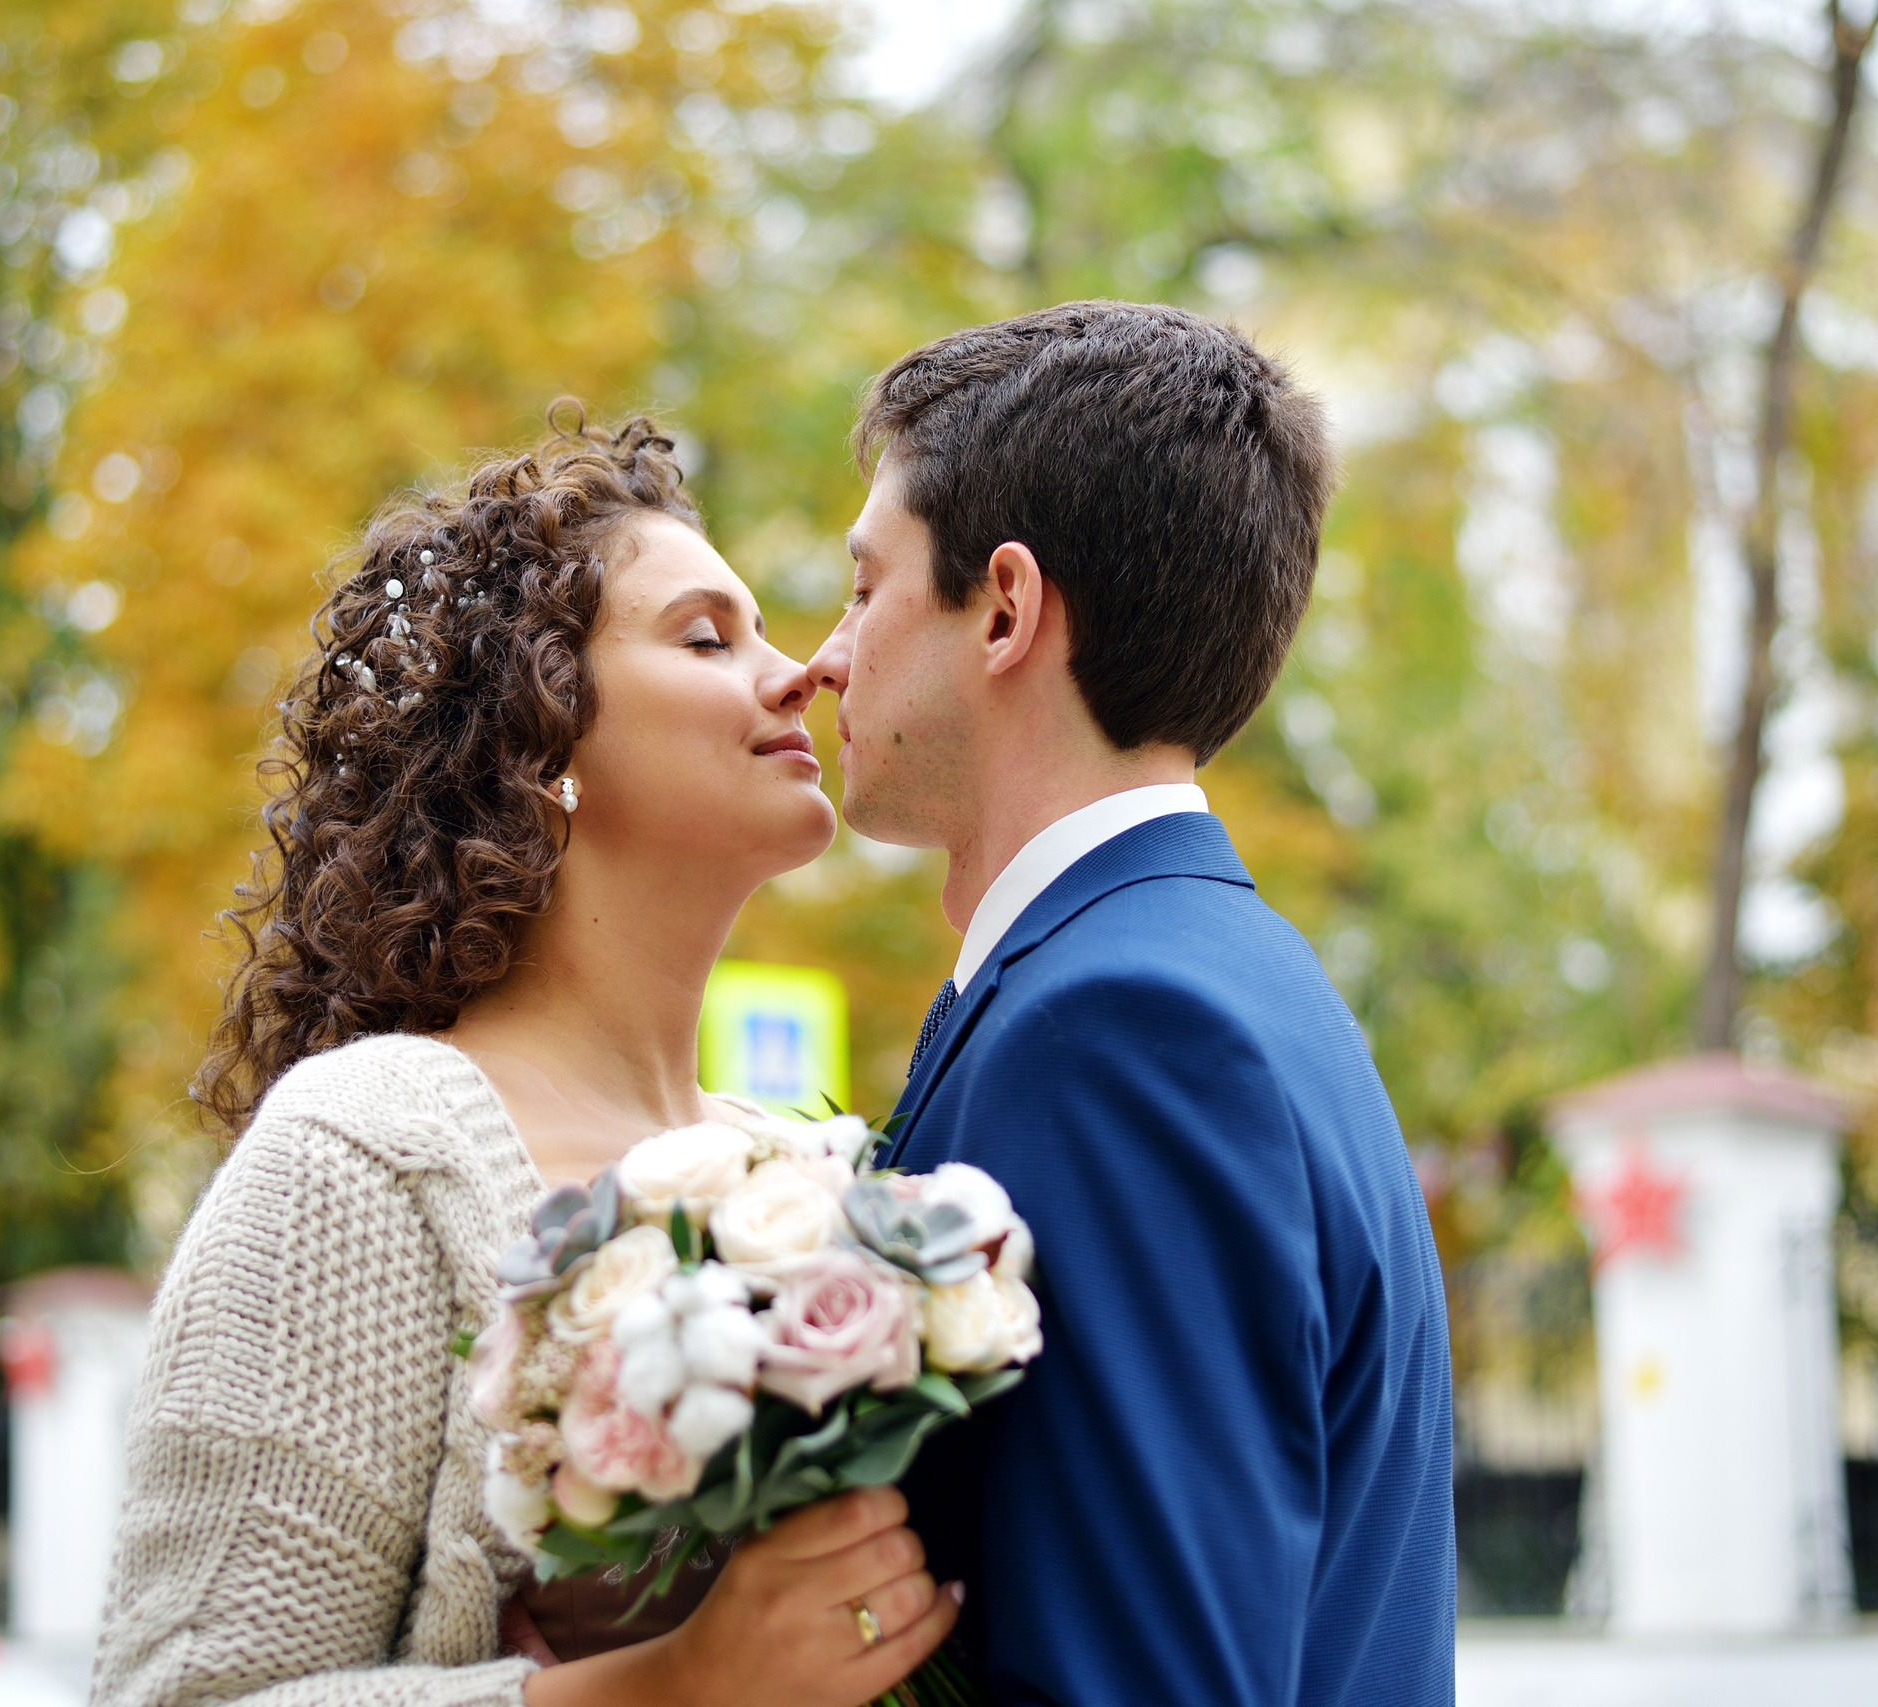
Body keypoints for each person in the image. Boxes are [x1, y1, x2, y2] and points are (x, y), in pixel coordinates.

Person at [90, 413, 958, 1707]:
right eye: (710, 638)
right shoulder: (370, 1152)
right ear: (539, 738)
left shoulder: (802, 1171)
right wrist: (674, 1687)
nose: (801, 676)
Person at [804, 301, 1456, 1704]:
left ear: (1007, 608)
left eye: (865, 585)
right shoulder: (1216, 979)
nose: (827, 656)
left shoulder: (1121, 1033)